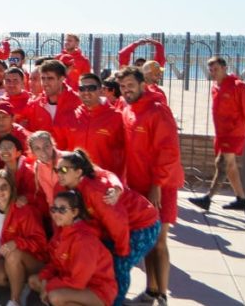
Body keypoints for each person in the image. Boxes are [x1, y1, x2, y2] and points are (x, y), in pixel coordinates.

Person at [57, 149, 159, 306]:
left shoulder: (96, 191)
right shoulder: (74, 187)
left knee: (119, 266)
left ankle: (115, 302)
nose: (59, 174)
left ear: (78, 172)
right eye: (57, 170)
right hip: (119, 227)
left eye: (64, 170)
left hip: (142, 224)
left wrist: (122, 250)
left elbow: (118, 222)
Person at [117, 66, 181, 305]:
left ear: (143, 84)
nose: (126, 90)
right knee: (148, 239)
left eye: (130, 85)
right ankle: (151, 290)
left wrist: (158, 184)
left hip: (160, 186)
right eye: (122, 87)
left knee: (160, 241)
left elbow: (169, 150)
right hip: (137, 185)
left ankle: (162, 294)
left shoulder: (157, 110)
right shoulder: (127, 108)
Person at [29, 190, 117, 306]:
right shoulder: (61, 232)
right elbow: (54, 263)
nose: (56, 213)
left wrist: (49, 286)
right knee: (35, 281)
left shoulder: (84, 240)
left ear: (75, 212)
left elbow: (78, 281)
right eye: (54, 209)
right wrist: (45, 278)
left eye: (62, 210)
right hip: (72, 281)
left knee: (56, 296)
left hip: (97, 289)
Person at [0, 170, 47, 306]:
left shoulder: (24, 211)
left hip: (33, 261)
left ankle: (15, 300)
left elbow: (41, 243)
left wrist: (17, 243)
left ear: (12, 189)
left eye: (4, 187)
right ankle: (22, 286)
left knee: (13, 254)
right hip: (6, 262)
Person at [193, 56, 245, 211]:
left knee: (221, 163)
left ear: (225, 68)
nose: (213, 73)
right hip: (221, 134)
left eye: (216, 69)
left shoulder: (239, 86)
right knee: (230, 166)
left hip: (234, 133)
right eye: (211, 70)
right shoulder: (215, 87)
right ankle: (242, 199)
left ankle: (207, 198)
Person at [67, 73, 126, 177]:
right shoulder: (71, 116)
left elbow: (126, 153)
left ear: (101, 90)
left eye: (91, 88)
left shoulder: (117, 117)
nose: (86, 92)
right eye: (82, 88)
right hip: (76, 181)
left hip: (104, 182)